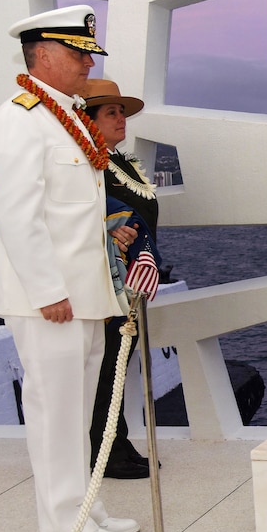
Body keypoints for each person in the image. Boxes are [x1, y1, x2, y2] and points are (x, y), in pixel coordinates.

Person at [0, 5, 139, 532]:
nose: (86, 66)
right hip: (49, 298)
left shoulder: (66, 116)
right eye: (77, 55)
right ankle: (61, 530)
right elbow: (19, 215)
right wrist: (49, 291)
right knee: (54, 413)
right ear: (43, 55)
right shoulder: (19, 118)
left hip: (83, 293)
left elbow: (76, 211)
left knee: (77, 410)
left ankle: (86, 508)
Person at [84, 79, 161, 479]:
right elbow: (91, 208)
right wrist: (116, 225)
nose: (121, 119)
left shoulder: (119, 162)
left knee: (118, 362)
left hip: (129, 279)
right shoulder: (90, 165)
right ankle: (105, 451)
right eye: (111, 112)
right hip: (108, 279)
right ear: (88, 120)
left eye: (122, 111)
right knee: (107, 365)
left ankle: (118, 441)